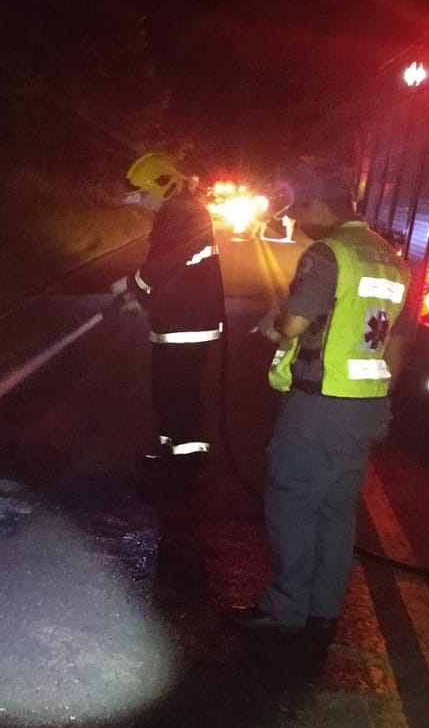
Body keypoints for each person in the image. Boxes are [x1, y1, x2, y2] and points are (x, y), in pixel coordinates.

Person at [233, 160, 413, 634]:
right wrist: (385, 401)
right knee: (335, 506)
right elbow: (396, 339)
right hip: (366, 404)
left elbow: (294, 324)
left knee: (291, 497)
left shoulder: (328, 255)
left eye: (300, 210)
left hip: (320, 403)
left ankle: (284, 607)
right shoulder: (390, 258)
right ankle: (323, 608)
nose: (296, 221)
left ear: (319, 207)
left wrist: (272, 322)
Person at [111, 152, 226, 482]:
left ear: (162, 188)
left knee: (179, 391)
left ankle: (187, 465)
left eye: (145, 194)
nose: (142, 202)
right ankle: (172, 452)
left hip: (188, 324)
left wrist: (130, 285)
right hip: (177, 319)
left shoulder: (183, 216)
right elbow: (172, 275)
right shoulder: (180, 213)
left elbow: (163, 266)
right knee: (166, 389)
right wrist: (142, 301)